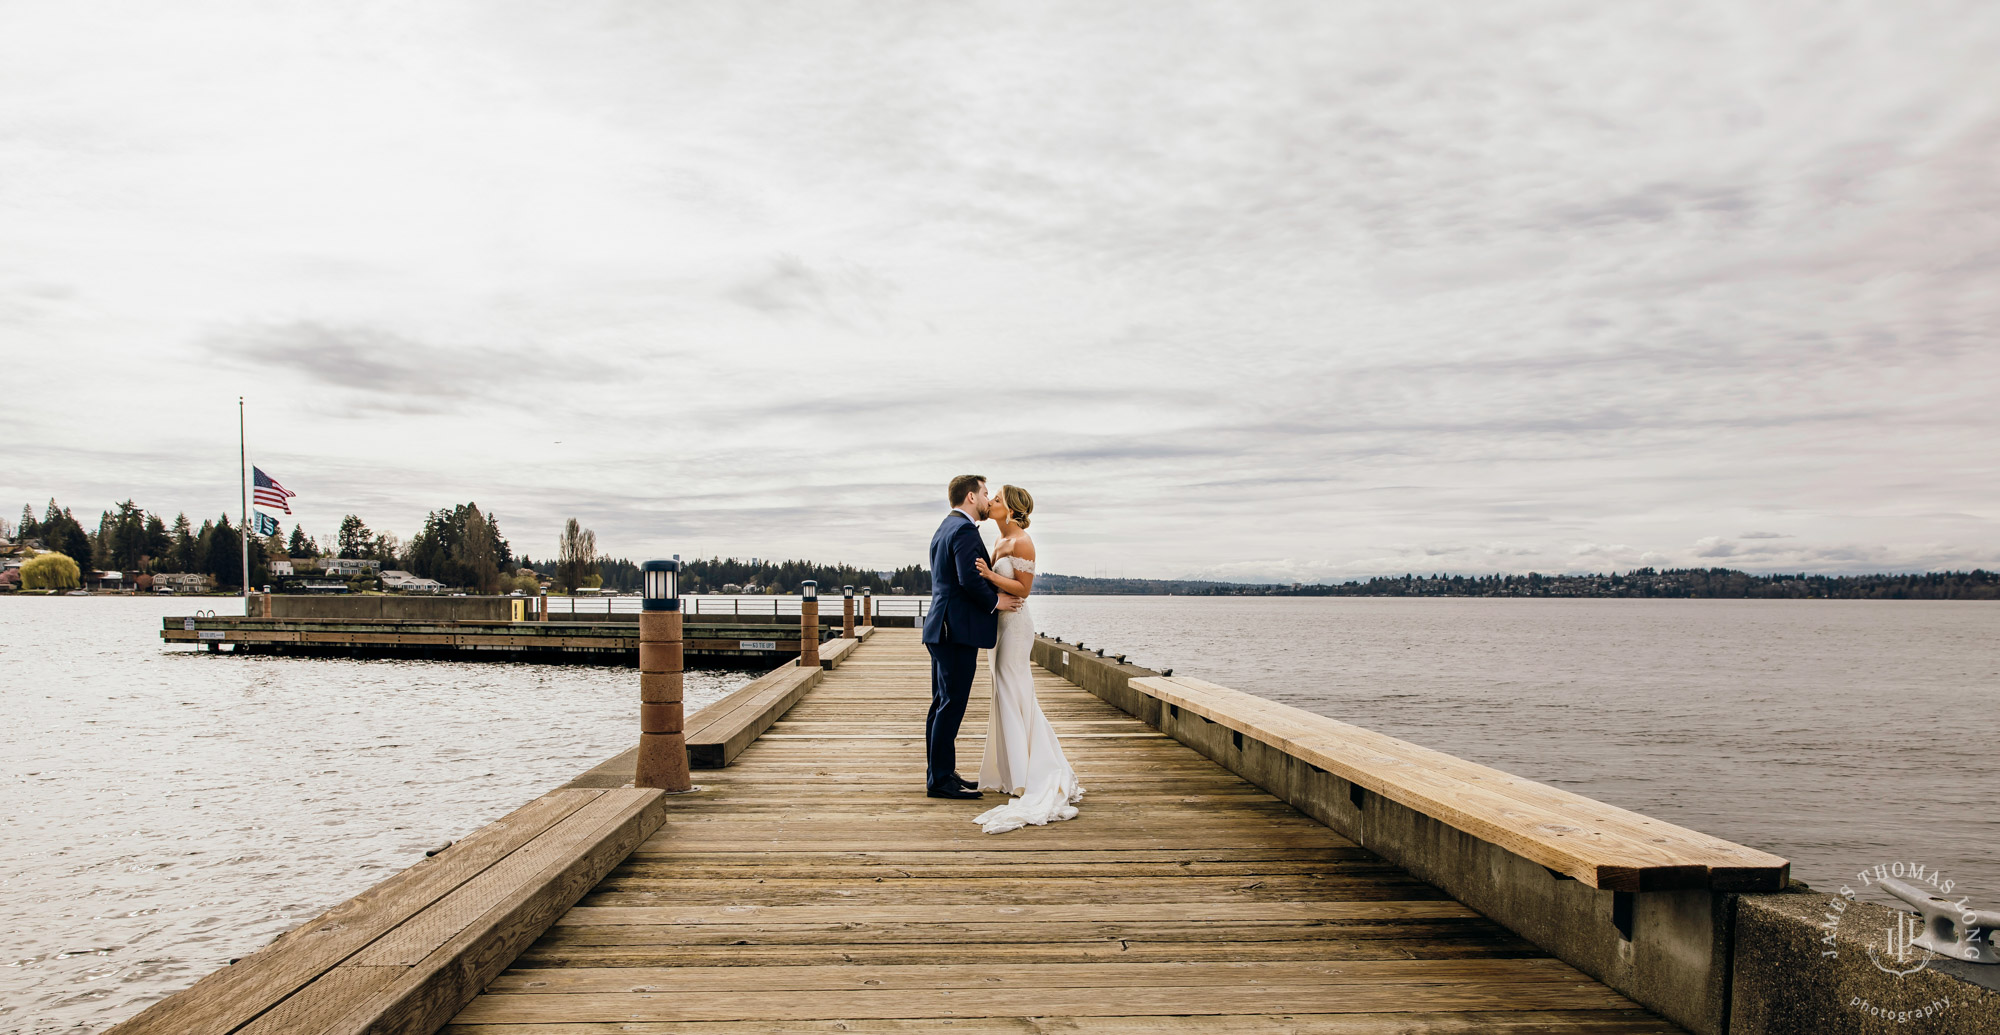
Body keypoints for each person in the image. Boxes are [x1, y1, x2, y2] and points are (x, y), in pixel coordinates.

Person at [969, 484, 1083, 832]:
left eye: (999, 499)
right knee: (1006, 694)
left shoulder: (1021, 541)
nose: (992, 502)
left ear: (1013, 509)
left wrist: (988, 575)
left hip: (1016, 626)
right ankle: (1013, 771)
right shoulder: (999, 542)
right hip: (997, 625)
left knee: (1014, 691)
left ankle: (1029, 773)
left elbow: (1024, 589)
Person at [921, 475, 1021, 799]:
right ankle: (939, 781)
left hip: (942, 628)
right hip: (955, 632)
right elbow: (968, 579)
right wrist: (997, 602)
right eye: (984, 493)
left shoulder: (944, 527)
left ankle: (942, 772)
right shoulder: (963, 529)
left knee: (941, 704)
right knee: (950, 705)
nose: (987, 498)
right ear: (970, 497)